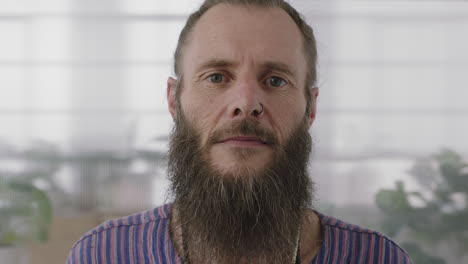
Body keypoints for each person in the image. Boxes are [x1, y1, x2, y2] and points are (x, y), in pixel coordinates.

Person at [67, 0, 413, 263]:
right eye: (217, 77)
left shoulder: (378, 257)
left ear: (311, 108)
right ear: (174, 101)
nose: (246, 104)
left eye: (275, 80)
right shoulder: (102, 254)